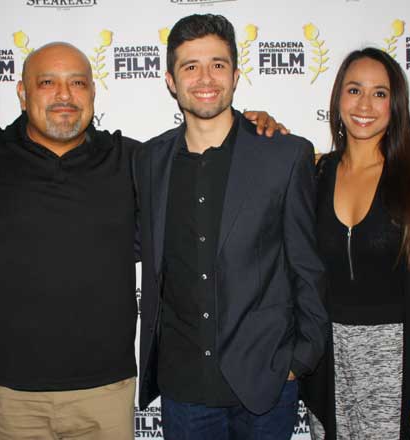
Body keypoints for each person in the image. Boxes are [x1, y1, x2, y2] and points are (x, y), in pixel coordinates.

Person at [0, 41, 285, 439]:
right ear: (22, 93)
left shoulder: (134, 161)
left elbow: (208, 163)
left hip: (106, 393)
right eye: (47, 83)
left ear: (93, 91)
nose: (64, 96)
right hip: (11, 395)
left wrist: (254, 127)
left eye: (78, 83)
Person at [134, 14, 328, 440]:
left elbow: (306, 266)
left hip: (266, 387)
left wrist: (301, 358)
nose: (206, 78)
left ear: (237, 75)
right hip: (183, 387)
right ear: (170, 80)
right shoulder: (148, 162)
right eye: (190, 66)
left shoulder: (284, 155)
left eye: (218, 65)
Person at [300, 47, 410, 440]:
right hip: (328, 362)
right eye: (354, 90)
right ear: (338, 100)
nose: (365, 104)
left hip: (395, 362)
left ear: (396, 105)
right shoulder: (316, 175)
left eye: (380, 93)